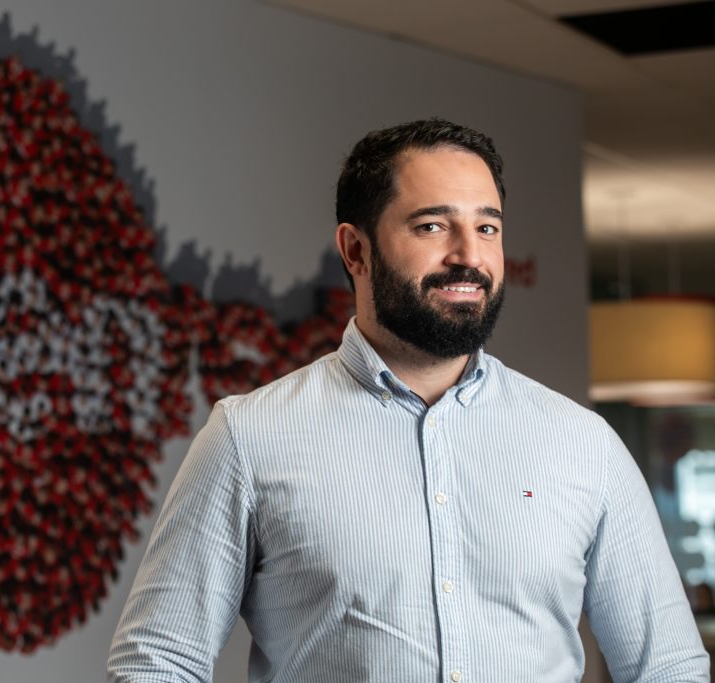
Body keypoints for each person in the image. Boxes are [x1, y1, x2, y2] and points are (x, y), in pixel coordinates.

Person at [107, 119, 709, 682]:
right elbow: (158, 663)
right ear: (355, 251)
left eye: (487, 227)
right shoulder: (250, 437)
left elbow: (667, 668)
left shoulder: (583, 443)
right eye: (432, 226)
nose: (469, 256)